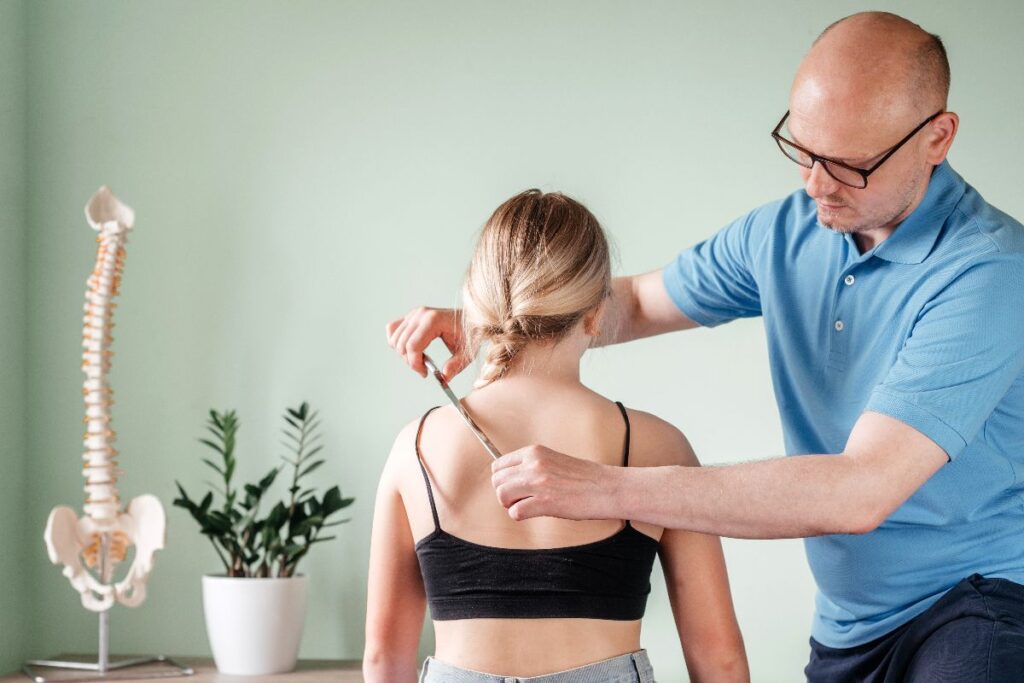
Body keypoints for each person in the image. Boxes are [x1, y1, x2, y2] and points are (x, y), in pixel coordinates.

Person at [386, 12, 1024, 682]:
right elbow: (631, 303)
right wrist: (489, 318)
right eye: (804, 151)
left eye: (850, 165)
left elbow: (859, 491)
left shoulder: (988, 272)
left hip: (974, 604)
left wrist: (603, 487)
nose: (815, 184)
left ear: (937, 137)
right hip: (852, 623)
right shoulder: (785, 231)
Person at [366, 190, 749, 682]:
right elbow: (719, 659)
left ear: (477, 304)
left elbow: (384, 659)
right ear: (596, 314)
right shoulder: (657, 446)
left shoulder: (417, 447)